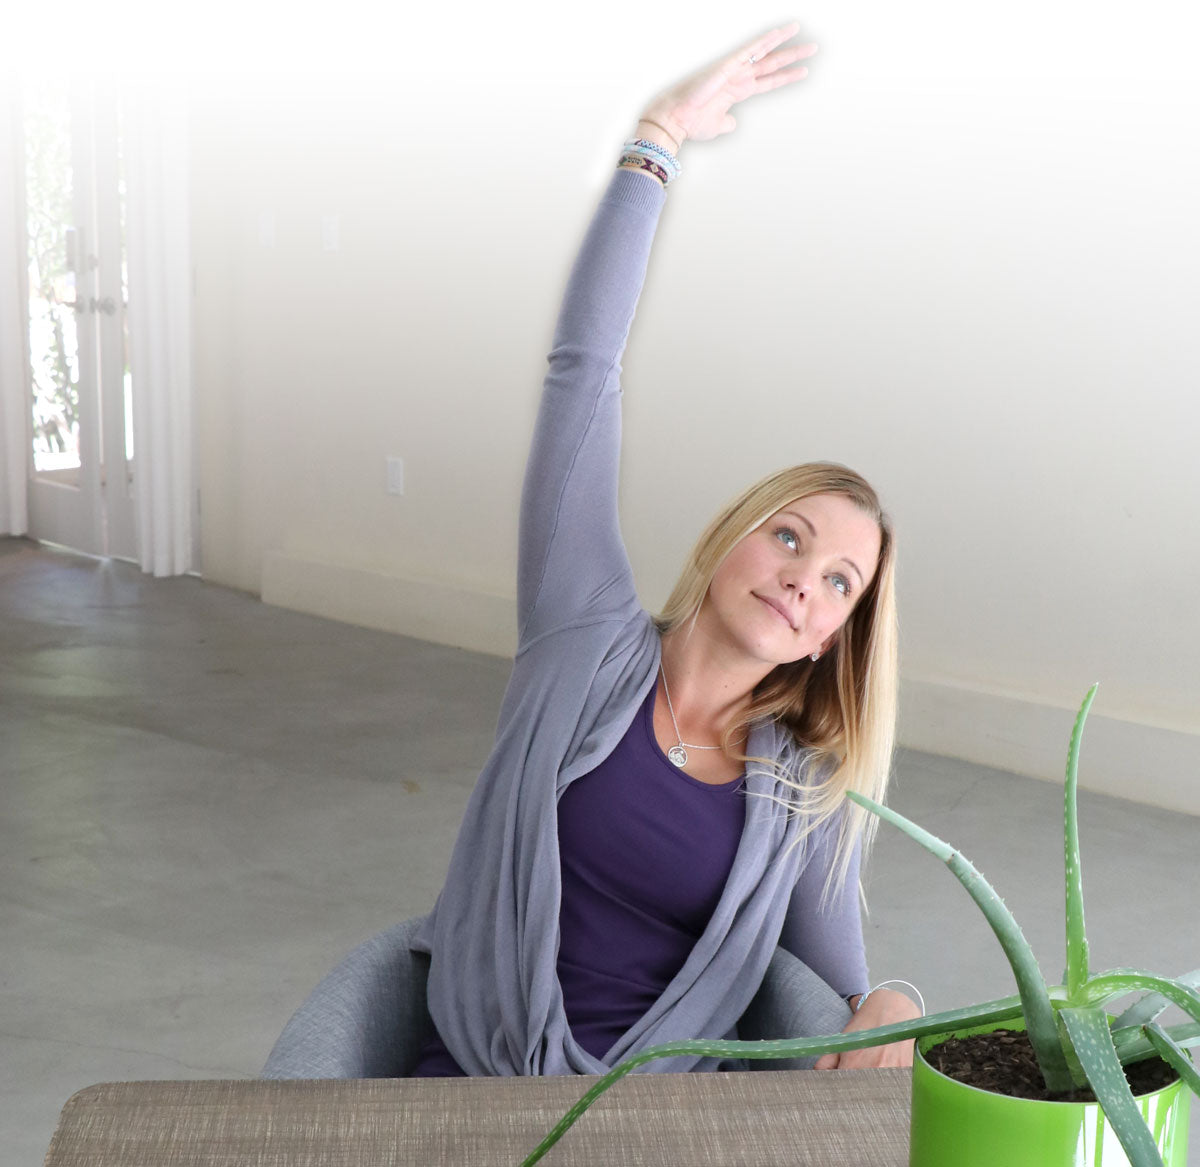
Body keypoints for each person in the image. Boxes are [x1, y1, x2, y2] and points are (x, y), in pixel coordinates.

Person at [410, 21, 921, 1078]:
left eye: (838, 582)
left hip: (657, 1118)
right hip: (472, 1086)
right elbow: (580, 373)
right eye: (791, 535)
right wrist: (657, 142)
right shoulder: (581, 632)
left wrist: (897, 1004)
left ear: (834, 636)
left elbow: (845, 993)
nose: (803, 578)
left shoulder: (803, 788)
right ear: (731, 538)